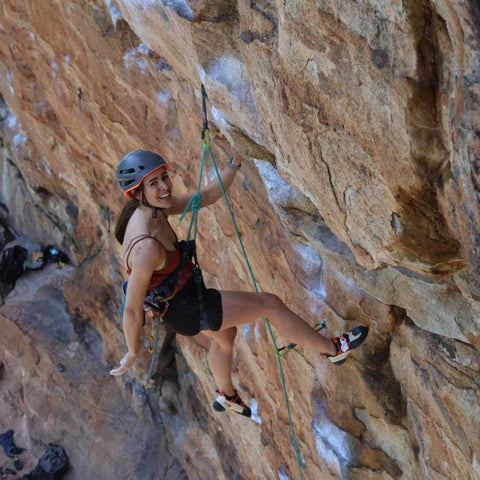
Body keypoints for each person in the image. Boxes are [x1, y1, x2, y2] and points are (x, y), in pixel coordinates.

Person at [109, 149, 368, 417]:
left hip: (180, 307)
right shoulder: (146, 247)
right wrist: (131, 352)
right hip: (189, 307)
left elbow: (205, 197)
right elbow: (131, 309)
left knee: (225, 338)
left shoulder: (154, 208)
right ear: (137, 192)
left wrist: (233, 164)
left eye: (164, 177)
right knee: (270, 304)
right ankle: (334, 349)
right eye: (154, 183)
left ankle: (226, 395)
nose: (165, 186)